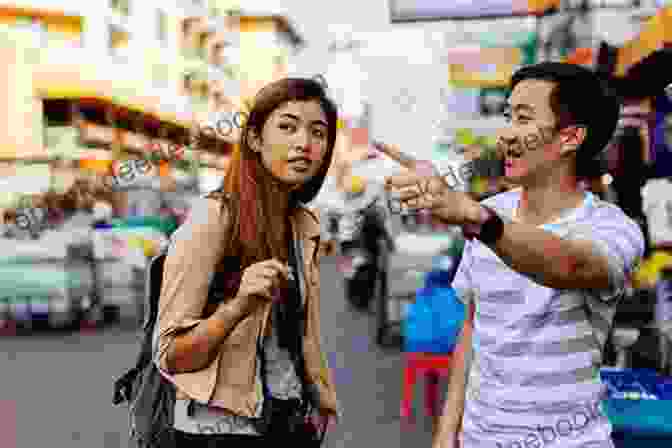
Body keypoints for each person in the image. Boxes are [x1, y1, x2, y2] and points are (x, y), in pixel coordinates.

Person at [381, 62, 644, 448]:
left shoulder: (614, 228)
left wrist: (477, 217)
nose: (506, 134)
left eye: (523, 118)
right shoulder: (489, 216)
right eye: (508, 117)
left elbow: (572, 264)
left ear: (570, 137)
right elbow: (472, 330)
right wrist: (444, 435)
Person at [154, 77, 340, 446]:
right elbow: (171, 356)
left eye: (318, 133)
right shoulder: (214, 217)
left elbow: (301, 336)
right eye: (287, 127)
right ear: (255, 139)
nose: (304, 143)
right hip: (222, 433)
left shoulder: (302, 226)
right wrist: (238, 305)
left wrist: (319, 398)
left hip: (289, 423)